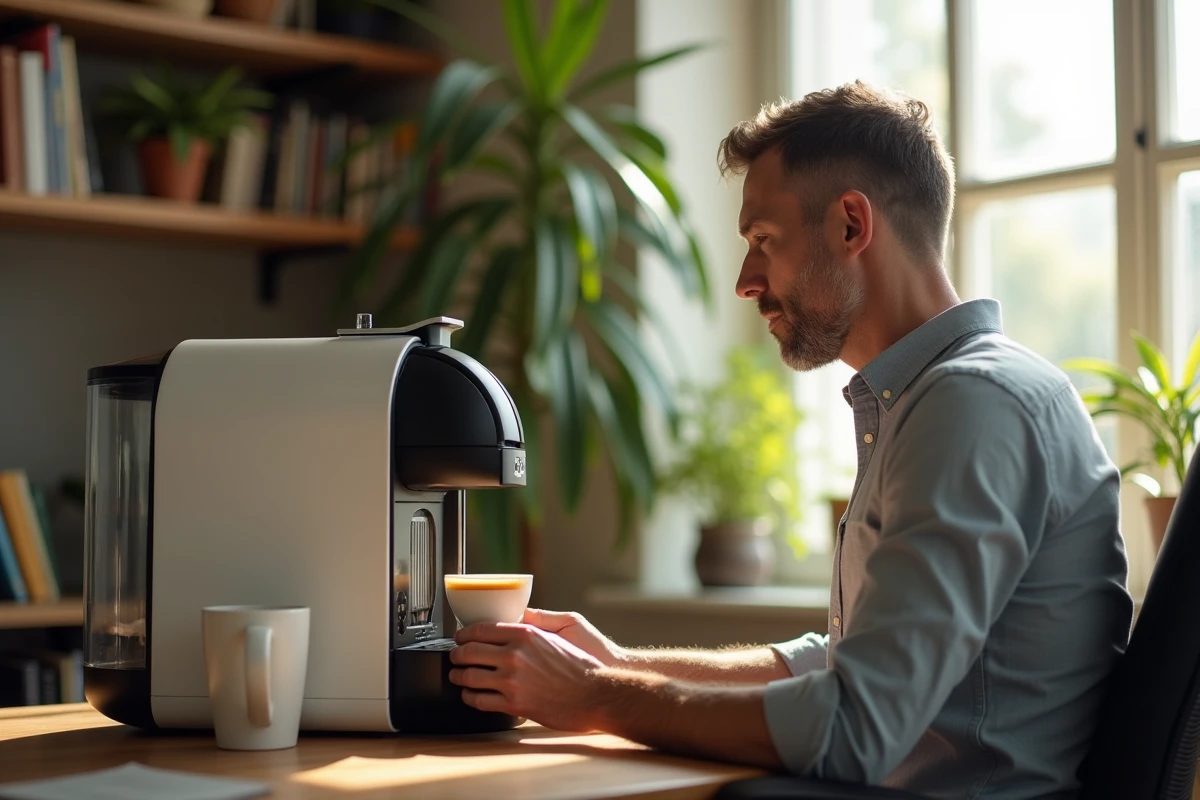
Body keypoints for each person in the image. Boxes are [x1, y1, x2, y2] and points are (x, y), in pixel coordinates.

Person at [447, 81, 1134, 799]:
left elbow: (850, 729)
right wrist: (620, 663)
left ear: (849, 225)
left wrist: (597, 696)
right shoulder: (936, 399)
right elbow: (840, 665)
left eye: (763, 241)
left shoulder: (972, 405)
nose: (746, 282)